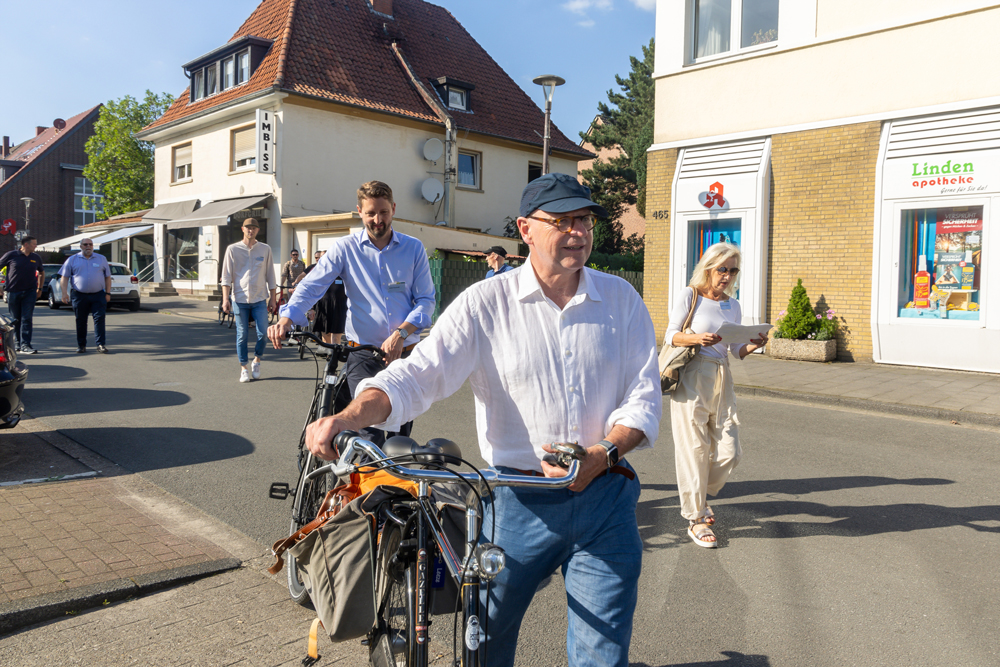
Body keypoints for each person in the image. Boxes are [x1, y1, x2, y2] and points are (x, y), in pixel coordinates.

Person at [301, 173, 661, 667]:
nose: (578, 232)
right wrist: (347, 416)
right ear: (526, 229)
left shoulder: (621, 300)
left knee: (603, 655)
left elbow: (643, 396)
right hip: (515, 505)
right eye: (563, 221)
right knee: (484, 648)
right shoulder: (485, 304)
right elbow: (416, 376)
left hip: (605, 501)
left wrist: (606, 452)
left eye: (584, 220)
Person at [268, 180, 435, 445]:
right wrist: (287, 317)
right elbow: (312, 286)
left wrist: (402, 333)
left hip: (404, 354)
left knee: (400, 435)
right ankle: (365, 485)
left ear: (393, 209)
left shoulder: (413, 248)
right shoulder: (345, 248)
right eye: (370, 213)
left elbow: (426, 301)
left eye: (383, 212)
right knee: (368, 433)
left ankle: (389, 485)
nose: (377, 220)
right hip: (362, 354)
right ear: (360, 211)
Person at [664, 242, 767, 548]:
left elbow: (736, 350)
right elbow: (671, 334)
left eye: (733, 270)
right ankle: (695, 517)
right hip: (693, 373)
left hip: (722, 377)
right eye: (723, 269)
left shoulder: (732, 305)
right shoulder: (690, 295)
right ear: (708, 268)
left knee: (729, 451)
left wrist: (755, 342)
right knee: (693, 449)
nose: (727, 276)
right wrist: (697, 337)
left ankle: (697, 494)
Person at [221, 218, 276, 383]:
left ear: (258, 230)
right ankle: (244, 368)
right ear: (242, 229)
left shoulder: (265, 249)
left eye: (254, 228)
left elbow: (271, 276)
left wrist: (273, 299)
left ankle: (257, 360)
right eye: (248, 228)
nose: (250, 230)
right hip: (239, 298)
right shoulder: (233, 249)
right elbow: (226, 276)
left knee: (263, 333)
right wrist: (225, 299)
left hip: (259, 298)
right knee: (242, 334)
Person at [59, 238, 112, 354]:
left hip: (98, 295)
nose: (88, 246)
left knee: (99, 319)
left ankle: (101, 344)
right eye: (85, 244)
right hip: (79, 295)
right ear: (80, 246)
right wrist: (64, 293)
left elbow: (107, 277)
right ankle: (81, 345)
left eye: (90, 244)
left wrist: (108, 293)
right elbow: (64, 277)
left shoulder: (101, 259)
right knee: (81, 320)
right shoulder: (72, 259)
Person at [0, 236, 44, 353]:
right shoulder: (11, 255)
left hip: (30, 292)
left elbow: (41, 272)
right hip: (13, 291)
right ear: (25, 245)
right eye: (34, 244)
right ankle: (16, 345)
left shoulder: (36, 257)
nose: (36, 246)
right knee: (15, 320)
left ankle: (26, 345)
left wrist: (39, 288)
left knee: (27, 319)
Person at [293, 250, 347, 346]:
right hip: (323, 304)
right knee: (325, 332)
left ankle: (333, 354)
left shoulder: (341, 269)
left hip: (339, 305)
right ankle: (327, 352)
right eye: (320, 257)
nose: (322, 259)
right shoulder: (317, 270)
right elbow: (307, 284)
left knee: (336, 334)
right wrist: (297, 286)